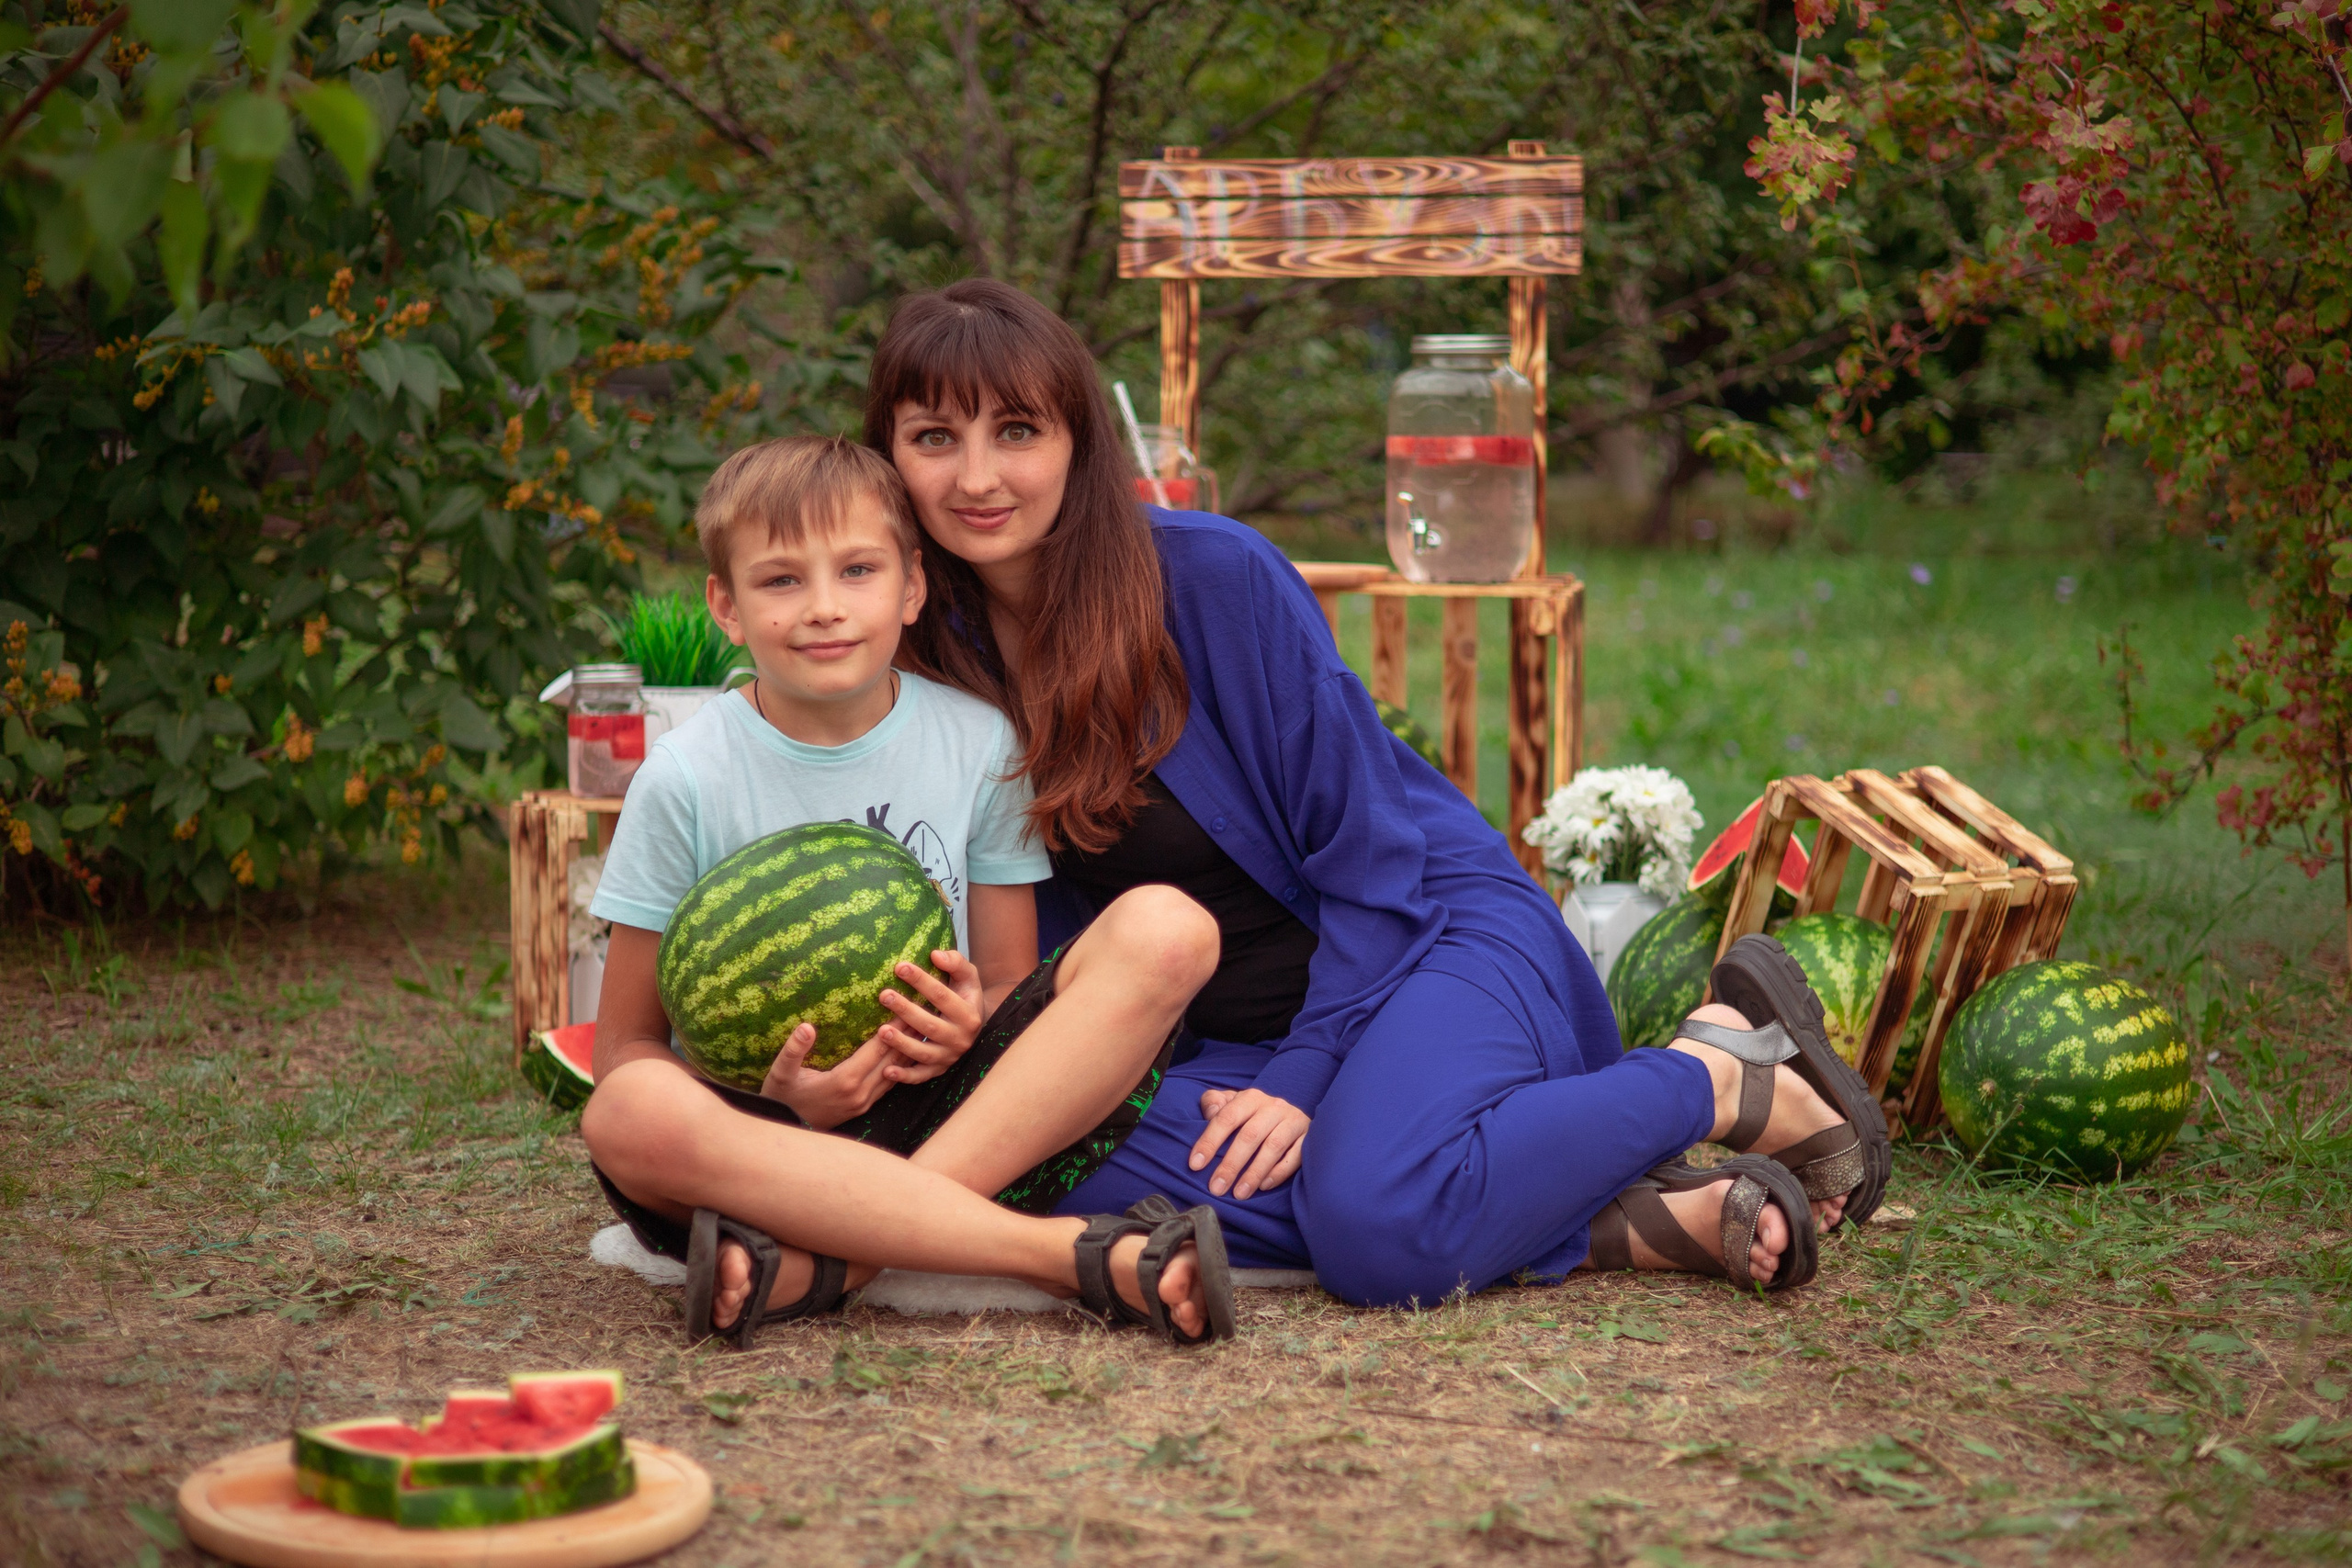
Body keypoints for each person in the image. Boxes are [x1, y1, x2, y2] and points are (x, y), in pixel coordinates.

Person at [868, 279, 1894, 1305]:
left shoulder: (1211, 578)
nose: (977, 476)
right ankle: (1585, 1208)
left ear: (1079, 443)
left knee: (1375, 1233)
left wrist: (1304, 1074)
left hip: (1421, 942)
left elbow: (1372, 857)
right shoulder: (913, 650)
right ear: (889, 455)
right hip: (1220, 1037)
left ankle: (1715, 1072)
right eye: (934, 438)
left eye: (1016, 431)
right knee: (1034, 1157)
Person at [579, 434, 1239, 1347]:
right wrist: (788, 1101)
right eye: (780, 581)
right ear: (725, 607)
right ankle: (1061, 1254)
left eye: (858, 571)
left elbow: (1005, 979)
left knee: (1170, 929)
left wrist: (971, 1021)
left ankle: (825, 1264)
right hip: (767, 1139)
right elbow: (625, 1047)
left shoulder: (978, 743)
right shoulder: (686, 777)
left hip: (950, 1107)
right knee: (626, 1109)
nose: (823, 607)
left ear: (913, 587)